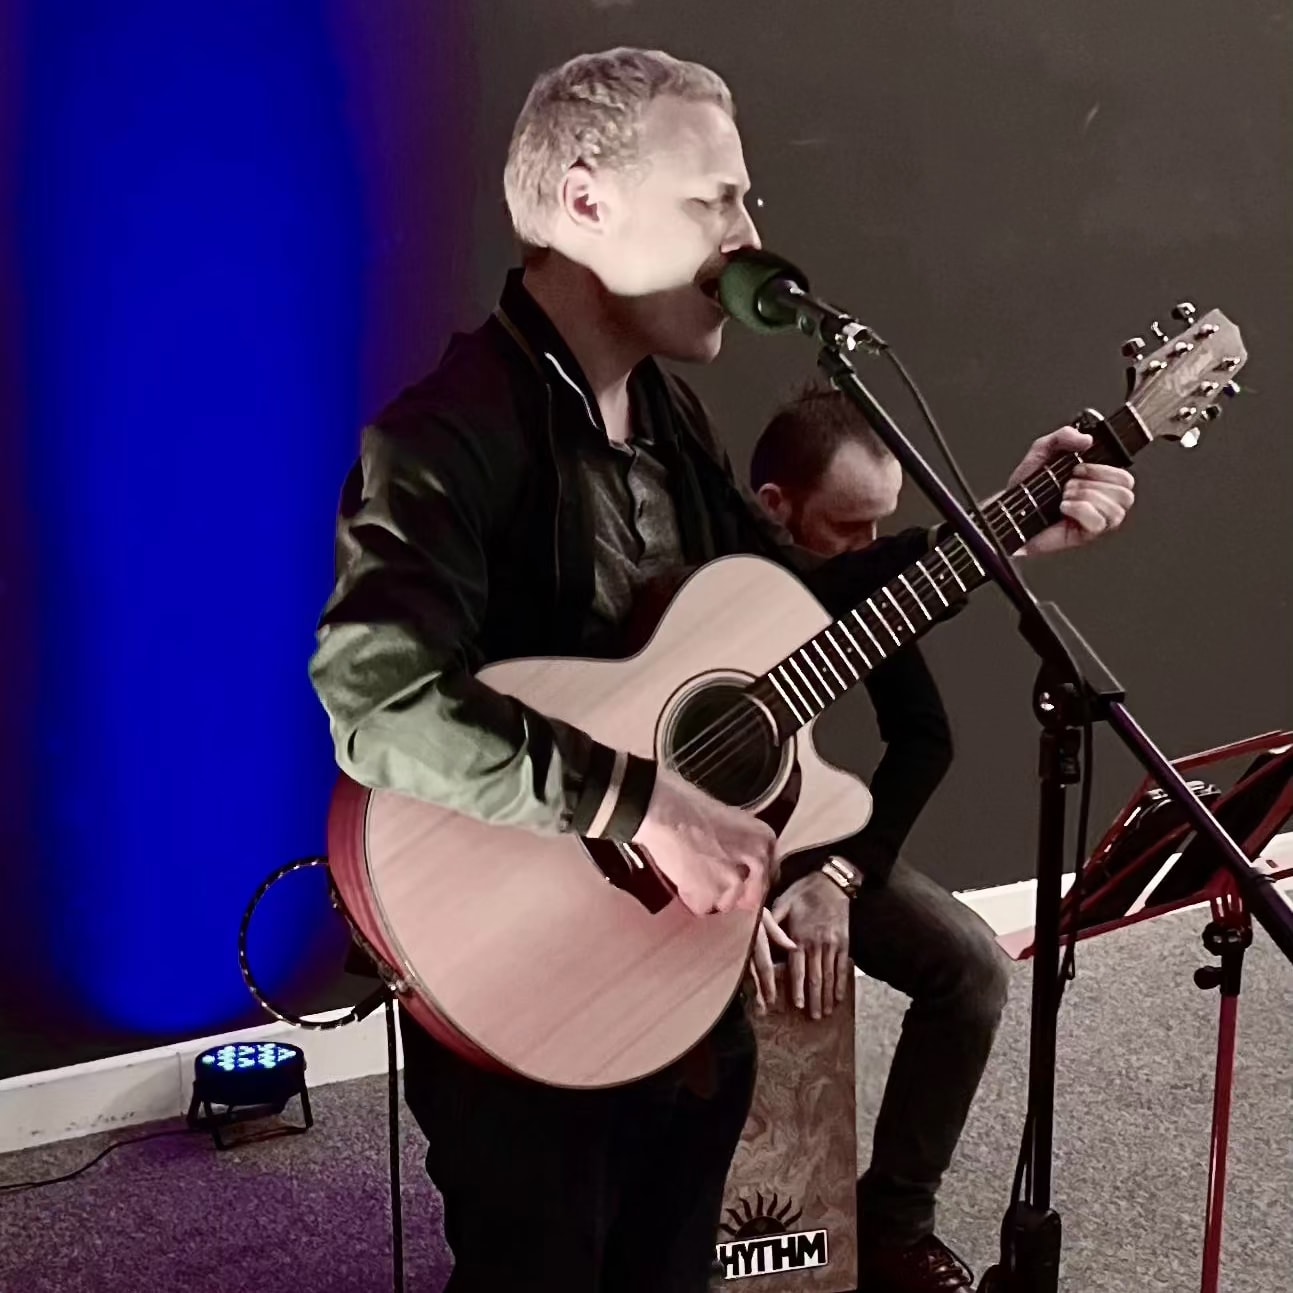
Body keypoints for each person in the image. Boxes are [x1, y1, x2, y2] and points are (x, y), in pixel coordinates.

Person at [307, 47, 1136, 1293]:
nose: (752, 239)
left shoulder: (668, 419)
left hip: (677, 971)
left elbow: (788, 603)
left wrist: (998, 529)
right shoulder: (446, 435)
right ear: (587, 202)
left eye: (749, 201)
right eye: (718, 201)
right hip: (518, 970)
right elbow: (377, 702)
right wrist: (643, 805)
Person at [746, 382, 1133, 1292]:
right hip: (658, 840)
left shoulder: (865, 585)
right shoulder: (719, 564)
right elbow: (821, 587)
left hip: (798, 834)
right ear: (775, 505)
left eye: (882, 526)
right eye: (848, 526)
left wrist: (839, 876)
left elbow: (924, 738)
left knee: (971, 964)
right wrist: (975, 538)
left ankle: (892, 1223)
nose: (870, 548)